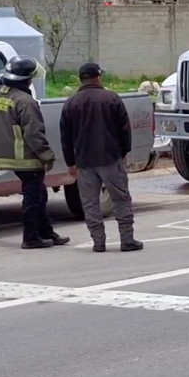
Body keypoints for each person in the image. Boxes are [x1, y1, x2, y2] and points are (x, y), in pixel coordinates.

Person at [0, 56, 69, 249]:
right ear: (26, 80)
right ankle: (31, 238)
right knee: (33, 197)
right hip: (26, 159)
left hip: (6, 157)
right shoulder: (25, 102)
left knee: (39, 194)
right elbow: (34, 134)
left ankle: (47, 232)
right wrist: (47, 155)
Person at [60, 63, 143, 253]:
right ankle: (127, 240)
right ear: (98, 77)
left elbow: (65, 137)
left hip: (84, 162)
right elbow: (124, 129)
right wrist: (123, 153)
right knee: (121, 199)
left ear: (80, 79)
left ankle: (98, 242)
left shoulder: (71, 103)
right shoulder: (111, 98)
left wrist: (71, 163)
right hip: (111, 158)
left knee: (90, 203)